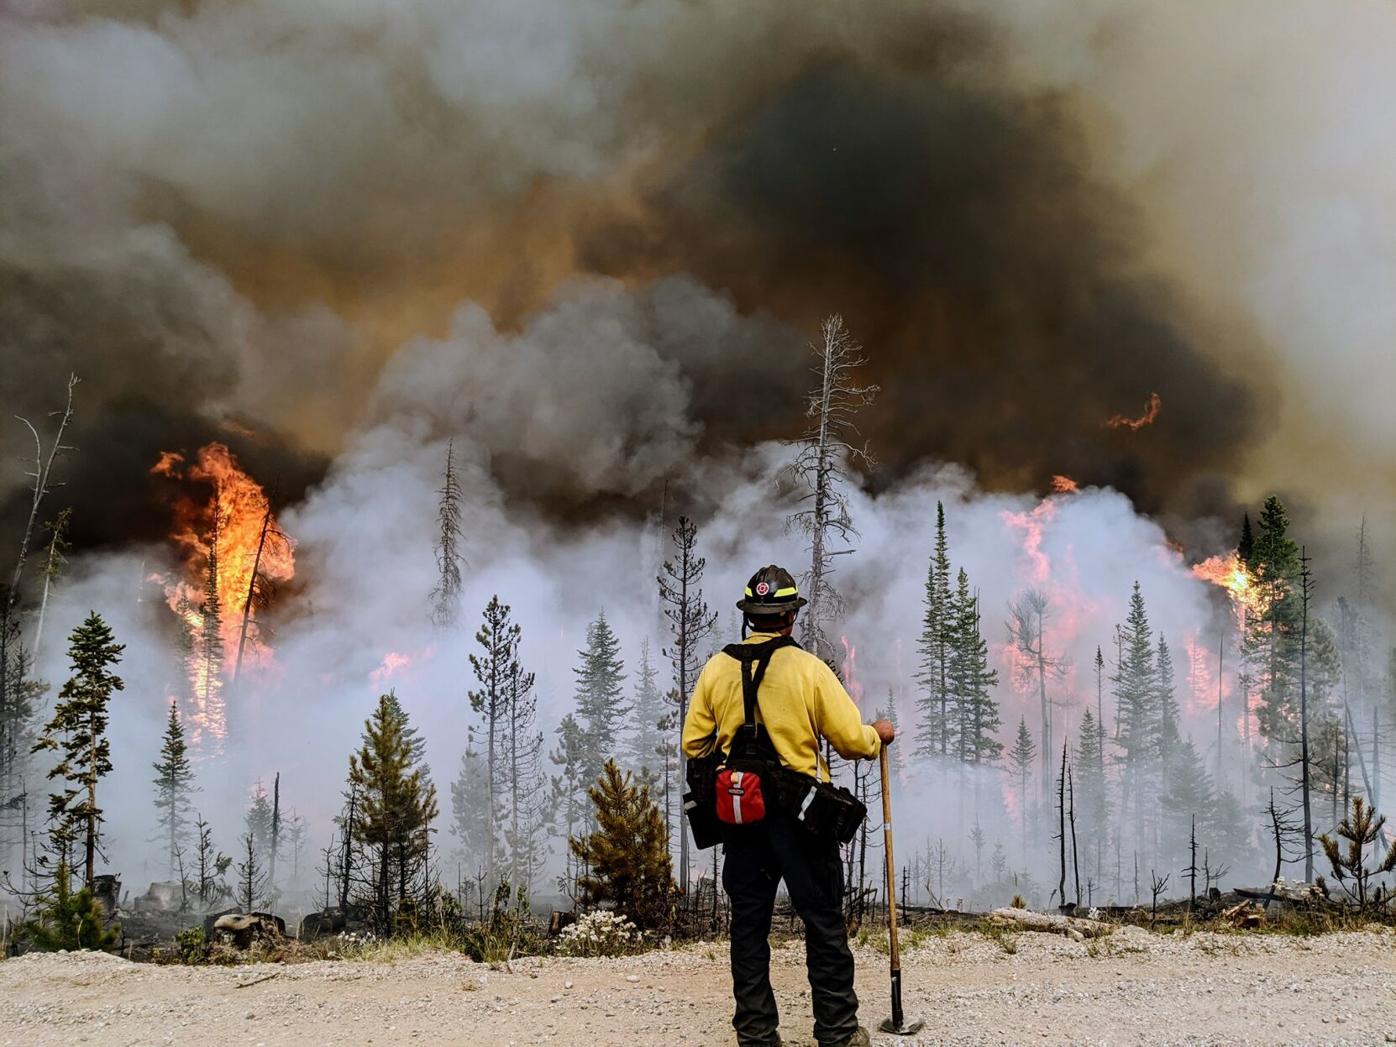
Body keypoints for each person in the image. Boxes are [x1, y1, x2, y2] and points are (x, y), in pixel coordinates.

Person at [682, 565, 895, 1047]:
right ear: (790, 618)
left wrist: (736, 762)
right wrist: (876, 736)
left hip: (741, 816)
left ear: (750, 617)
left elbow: (694, 743)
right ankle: (838, 1032)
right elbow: (849, 741)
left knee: (749, 924)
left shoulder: (716, 668)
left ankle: (756, 1034)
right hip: (802, 818)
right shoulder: (808, 669)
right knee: (822, 921)